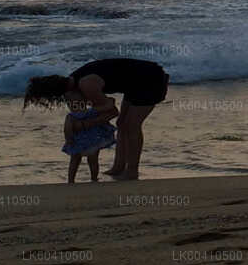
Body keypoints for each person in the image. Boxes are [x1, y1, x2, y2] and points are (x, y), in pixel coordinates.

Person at [25, 58, 169, 181]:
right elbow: (98, 111)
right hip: (134, 83)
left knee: (132, 126)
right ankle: (118, 167)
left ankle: (132, 171)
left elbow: (112, 111)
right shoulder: (72, 80)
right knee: (122, 124)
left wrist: (84, 124)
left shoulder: (86, 84)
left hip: (150, 79)